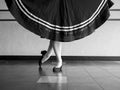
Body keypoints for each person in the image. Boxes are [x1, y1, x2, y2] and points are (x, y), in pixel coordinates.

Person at [5, 0, 114, 72]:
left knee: (56, 32)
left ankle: (49, 56)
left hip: (65, 3)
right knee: (56, 31)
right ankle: (56, 60)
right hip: (55, 3)